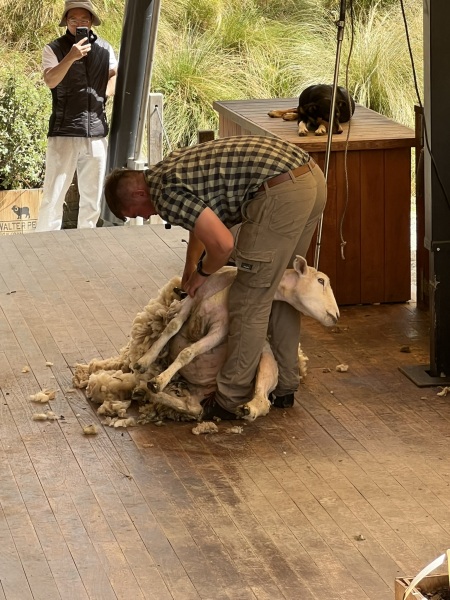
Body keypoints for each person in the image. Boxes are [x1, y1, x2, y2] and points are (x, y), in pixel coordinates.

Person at [104, 135, 327, 420]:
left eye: (137, 213)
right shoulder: (167, 171)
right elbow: (200, 223)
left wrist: (203, 274)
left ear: (138, 194)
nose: (146, 217)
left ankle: (229, 398)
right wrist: (191, 270)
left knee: (249, 298)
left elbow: (222, 245)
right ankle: (284, 386)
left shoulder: (163, 195)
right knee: (280, 288)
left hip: (280, 193)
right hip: (309, 177)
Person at [35, 0, 118, 232]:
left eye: (84, 19)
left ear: (91, 21)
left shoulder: (105, 48)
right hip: (65, 131)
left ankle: (87, 241)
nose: (79, 23)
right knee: (54, 194)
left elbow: (114, 73)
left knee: (92, 197)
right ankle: (45, 242)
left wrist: (106, 92)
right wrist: (70, 57)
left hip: (96, 131)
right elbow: (50, 80)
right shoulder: (53, 48)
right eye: (73, 19)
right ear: (66, 21)